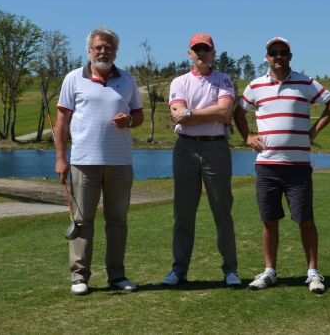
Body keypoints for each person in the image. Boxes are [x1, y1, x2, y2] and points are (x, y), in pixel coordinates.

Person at [233, 36, 330, 294]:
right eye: (273, 53)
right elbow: (239, 111)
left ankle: (313, 273)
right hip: (267, 165)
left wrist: (314, 131)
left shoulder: (306, 82)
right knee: (269, 220)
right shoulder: (255, 85)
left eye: (283, 52)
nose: (278, 56)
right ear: (267, 58)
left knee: (305, 219)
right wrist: (248, 136)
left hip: (298, 165)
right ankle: (270, 271)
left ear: (290, 56)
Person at [54, 26, 144, 295]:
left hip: (120, 162)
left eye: (108, 47)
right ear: (89, 50)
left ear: (115, 51)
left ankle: (117, 275)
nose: (103, 51)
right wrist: (61, 158)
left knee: (117, 221)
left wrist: (128, 120)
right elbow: (61, 121)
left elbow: (138, 117)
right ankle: (79, 276)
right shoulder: (73, 78)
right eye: (98, 47)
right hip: (84, 161)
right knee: (83, 221)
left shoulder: (127, 80)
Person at [161, 33, 240, 287]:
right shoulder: (179, 82)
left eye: (206, 49)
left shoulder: (224, 80)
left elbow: (225, 111)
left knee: (222, 212)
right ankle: (179, 270)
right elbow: (177, 116)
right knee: (183, 214)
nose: (202, 53)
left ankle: (230, 270)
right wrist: (210, 114)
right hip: (186, 149)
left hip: (216, 149)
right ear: (190, 54)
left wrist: (191, 113)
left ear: (213, 53)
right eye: (197, 49)